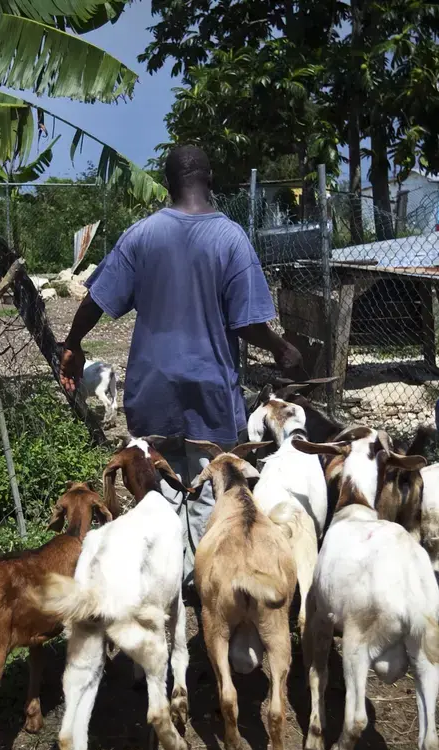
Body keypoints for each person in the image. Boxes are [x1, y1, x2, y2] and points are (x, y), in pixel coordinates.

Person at [59, 145, 304, 596]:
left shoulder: (141, 236)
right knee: (211, 495)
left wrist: (72, 344)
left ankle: (165, 589)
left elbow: (96, 299)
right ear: (209, 179)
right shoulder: (230, 239)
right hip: (211, 393)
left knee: (161, 494)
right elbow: (247, 322)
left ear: (167, 182)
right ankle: (204, 592)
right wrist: (280, 346)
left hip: (152, 391)